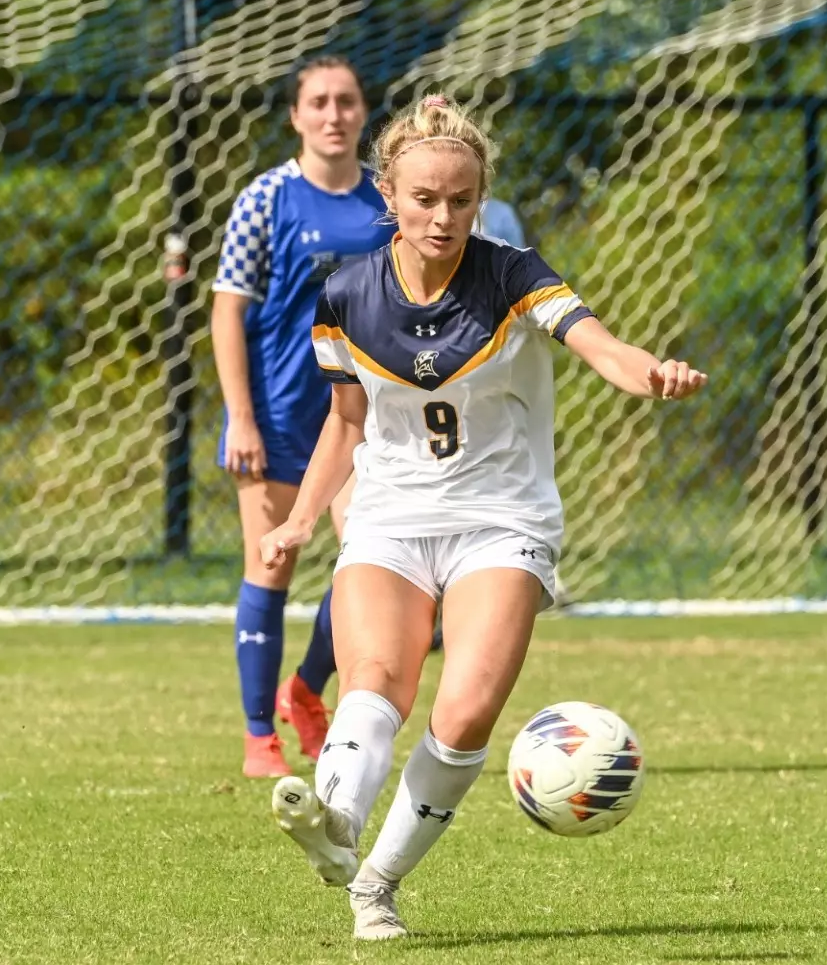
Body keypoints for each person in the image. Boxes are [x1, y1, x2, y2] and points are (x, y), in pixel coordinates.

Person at [259, 94, 707, 940]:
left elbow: (598, 343)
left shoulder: (513, 274)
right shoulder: (345, 295)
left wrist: (650, 373)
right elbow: (347, 424)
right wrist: (297, 521)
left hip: (502, 520)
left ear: (480, 198)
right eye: (425, 199)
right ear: (388, 194)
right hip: (391, 516)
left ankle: (375, 886)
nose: (444, 216)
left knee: (463, 712)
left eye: (461, 200)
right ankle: (337, 825)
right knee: (376, 681)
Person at [210, 57, 393, 778]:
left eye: (346, 100)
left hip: (362, 419)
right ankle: (260, 737)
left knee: (366, 570)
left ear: (362, 110)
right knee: (271, 563)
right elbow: (228, 312)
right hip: (281, 416)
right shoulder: (266, 200)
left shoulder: (385, 198)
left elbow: (446, 223)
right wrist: (240, 418)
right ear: (295, 115)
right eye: (318, 101)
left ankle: (305, 691)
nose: (333, 114)